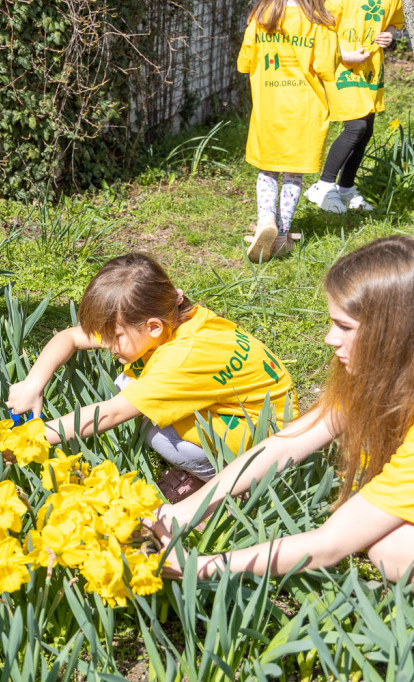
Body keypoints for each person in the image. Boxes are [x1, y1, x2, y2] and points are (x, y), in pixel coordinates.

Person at [153, 235, 414, 582]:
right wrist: (184, 511)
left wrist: (199, 568)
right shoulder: (376, 375)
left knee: (391, 551)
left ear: (395, 333)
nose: (329, 338)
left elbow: (328, 546)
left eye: (345, 327)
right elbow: (287, 443)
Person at [7, 254, 294, 501]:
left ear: (153, 327)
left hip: (262, 444)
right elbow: (69, 337)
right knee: (134, 390)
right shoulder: (173, 315)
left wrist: (27, 439)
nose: (106, 344)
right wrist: (33, 384)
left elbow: (110, 414)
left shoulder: (180, 360)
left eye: (114, 337)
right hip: (259, 414)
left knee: (152, 429)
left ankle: (230, 488)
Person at [237, 0, 339, 262]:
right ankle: (281, 235)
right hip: (304, 113)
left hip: (269, 109)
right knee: (293, 174)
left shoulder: (260, 16)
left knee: (267, 169)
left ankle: (266, 219)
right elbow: (326, 68)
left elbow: (244, 63)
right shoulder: (319, 19)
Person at [304, 0, 405, 213]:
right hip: (339, 66)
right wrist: (344, 55)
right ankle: (322, 186)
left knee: (366, 130)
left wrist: (389, 33)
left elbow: (395, 20)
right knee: (356, 127)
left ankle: (345, 187)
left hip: (370, 66)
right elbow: (320, 29)